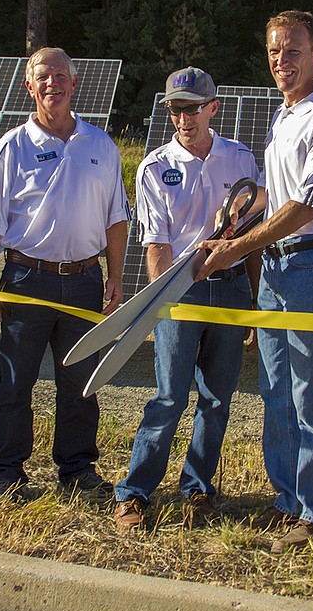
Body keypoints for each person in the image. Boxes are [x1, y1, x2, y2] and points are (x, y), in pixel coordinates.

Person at [198, 10, 313, 553]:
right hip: (275, 267)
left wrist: (236, 250)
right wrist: (235, 221)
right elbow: (275, 194)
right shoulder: (284, 116)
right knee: (277, 393)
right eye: (273, 52)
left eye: (292, 51)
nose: (280, 61)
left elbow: (309, 204)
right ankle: (288, 500)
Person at [0, 47, 129, 503]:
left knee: (81, 382)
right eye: (43, 76)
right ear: (29, 86)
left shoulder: (100, 145)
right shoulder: (11, 147)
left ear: (75, 84)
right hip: (27, 280)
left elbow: (116, 218)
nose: (53, 84)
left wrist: (114, 276)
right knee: (16, 379)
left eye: (61, 75)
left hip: (85, 281)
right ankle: (7, 472)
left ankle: (77, 468)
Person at [113, 67, 263, 531]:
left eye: (192, 108)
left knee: (216, 400)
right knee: (169, 397)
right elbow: (156, 245)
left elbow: (254, 237)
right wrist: (162, 302)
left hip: (233, 287)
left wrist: (254, 304)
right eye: (176, 110)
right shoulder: (154, 166)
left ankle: (197, 488)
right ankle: (134, 493)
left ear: (213, 108)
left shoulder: (241, 159)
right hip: (181, 288)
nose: (183, 118)